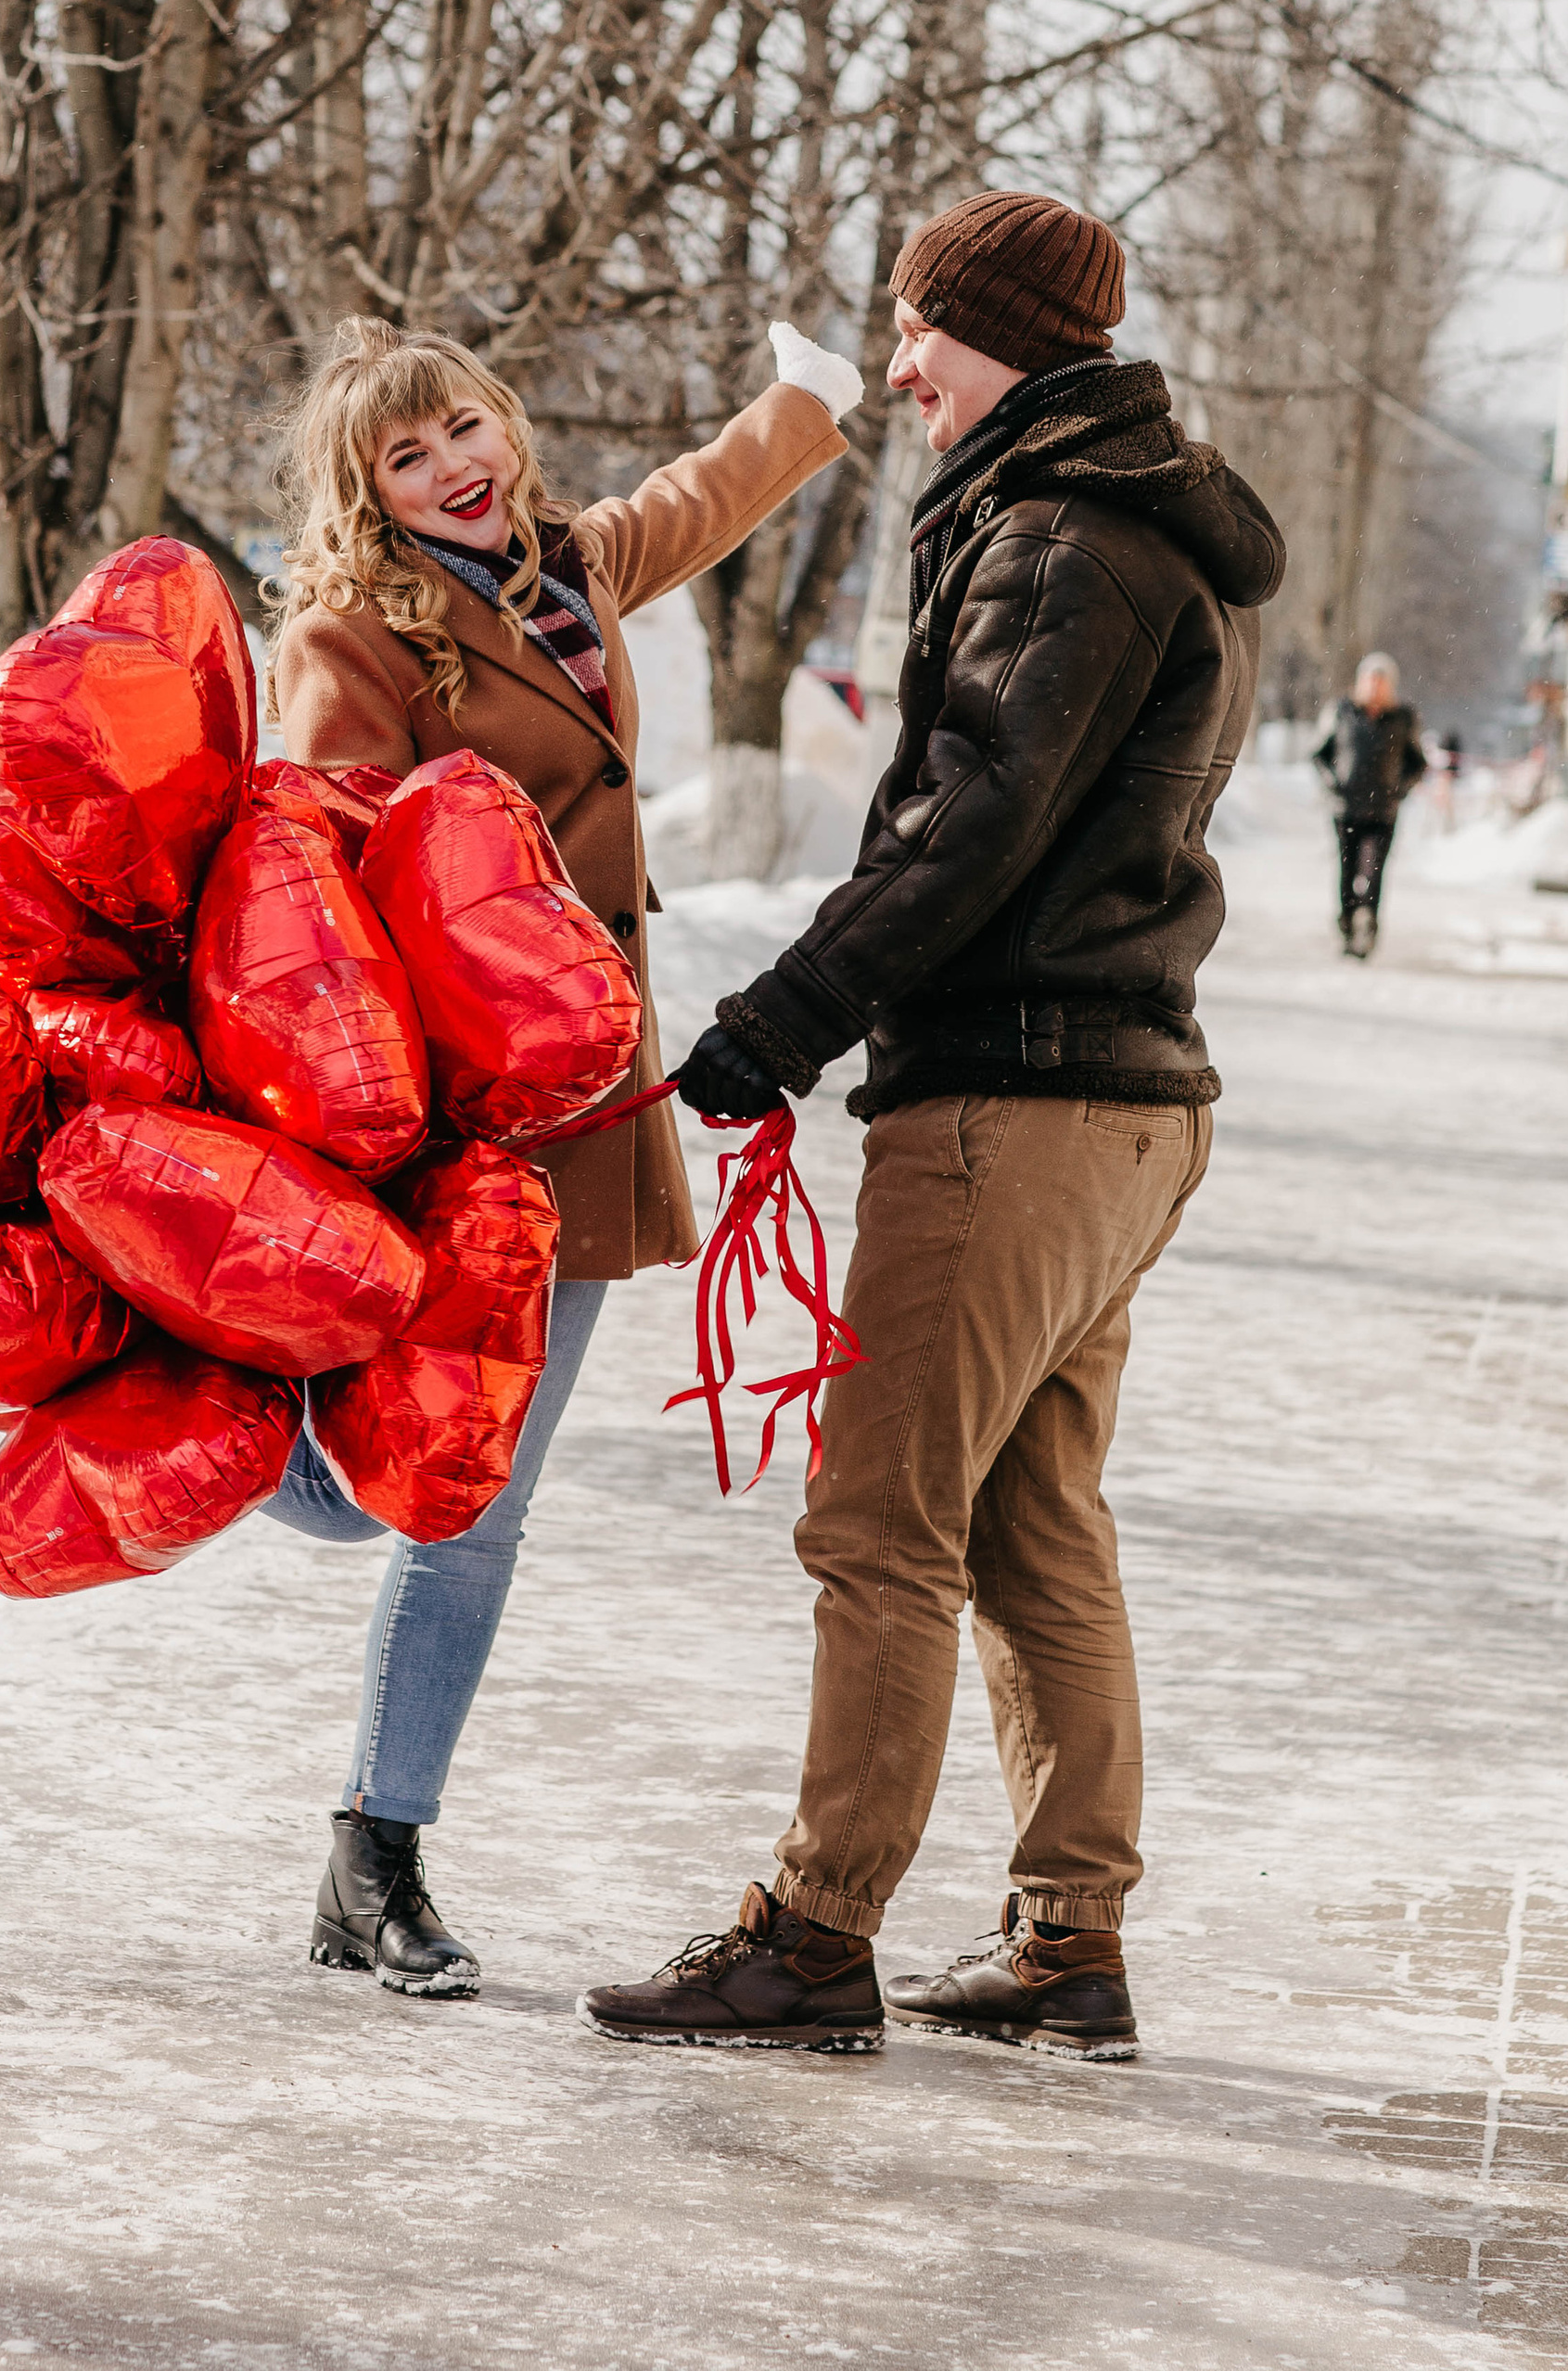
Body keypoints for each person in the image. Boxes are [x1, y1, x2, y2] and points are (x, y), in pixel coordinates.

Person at [580, 188, 1282, 2064]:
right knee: (1035, 1520)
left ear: (1015, 339)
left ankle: (814, 1935)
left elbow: (965, 826)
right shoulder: (1132, 521)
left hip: (1014, 1100)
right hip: (1121, 1104)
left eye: (922, 329)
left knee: (878, 1525)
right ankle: (1066, 1941)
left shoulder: (1056, 536)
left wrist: (777, 1020)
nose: (896, 365)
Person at [262, 311, 861, 1995]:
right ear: (368, 493)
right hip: (452, 1112)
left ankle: (374, 1858)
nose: (455, 464)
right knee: (359, 1491)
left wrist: (806, 392)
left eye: (464, 426)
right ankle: (143, 1394)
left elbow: (695, 500)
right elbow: (316, 874)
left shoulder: (566, 567)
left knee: (478, 1502)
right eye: (408, 453)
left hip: (585, 1115)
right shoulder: (353, 632)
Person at [1312, 654, 1426, 957]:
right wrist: (1333, 784)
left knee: (1374, 870)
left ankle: (1369, 925)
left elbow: (1418, 763)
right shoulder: (1342, 711)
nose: (1375, 687)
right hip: (1345, 809)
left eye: (1381, 681)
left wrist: (1399, 790)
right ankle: (1347, 923)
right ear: (1361, 683)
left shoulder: (1403, 717)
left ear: (1390, 685)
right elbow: (1320, 755)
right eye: (1370, 681)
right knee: (1347, 869)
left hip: (1383, 812)